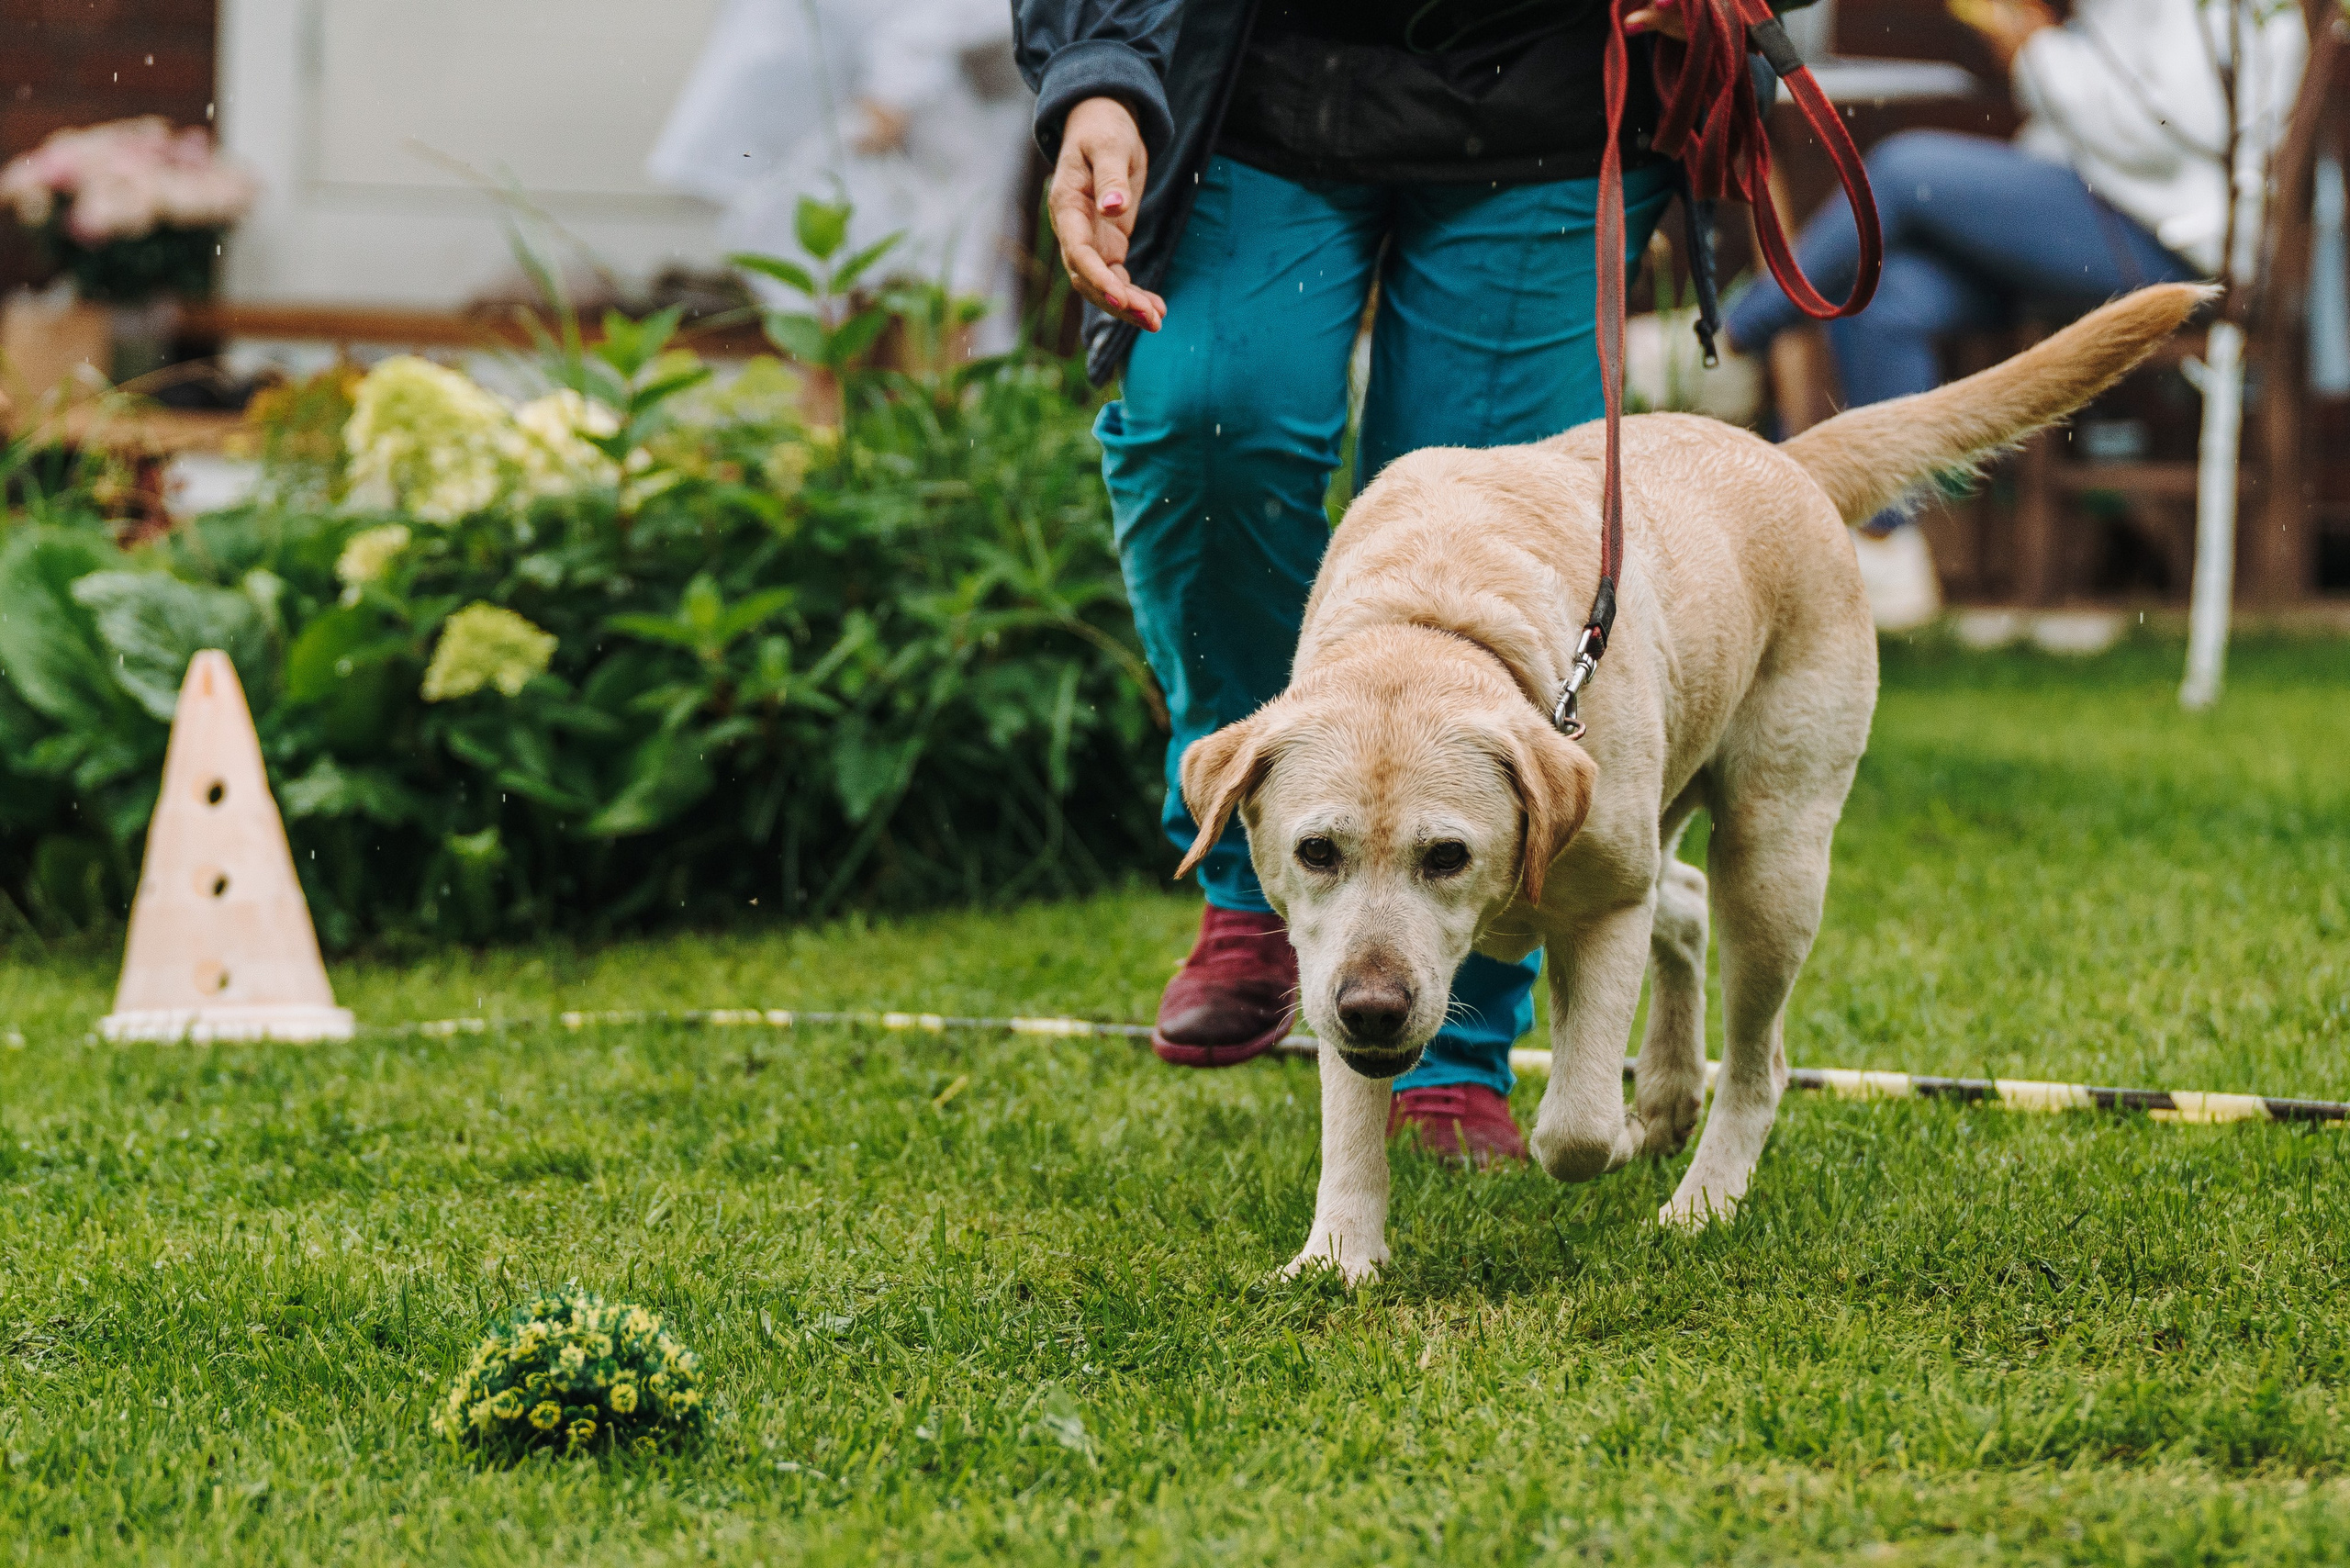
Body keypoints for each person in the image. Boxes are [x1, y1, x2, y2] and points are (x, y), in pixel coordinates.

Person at [1012, 0, 1703, 1160]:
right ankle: (1251, 861)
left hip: (1544, 88)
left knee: (1495, 544)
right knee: (1206, 424)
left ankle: (1461, 1043)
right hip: (1253, 84)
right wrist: (1099, 72)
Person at [1722, 0, 2306, 629]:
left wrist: (2036, 52)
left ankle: (1729, 342)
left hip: (2165, 241)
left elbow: (2165, 134)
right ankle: (1887, 549)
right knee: (1881, 295)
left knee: (1903, 169)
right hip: (2094, 218)